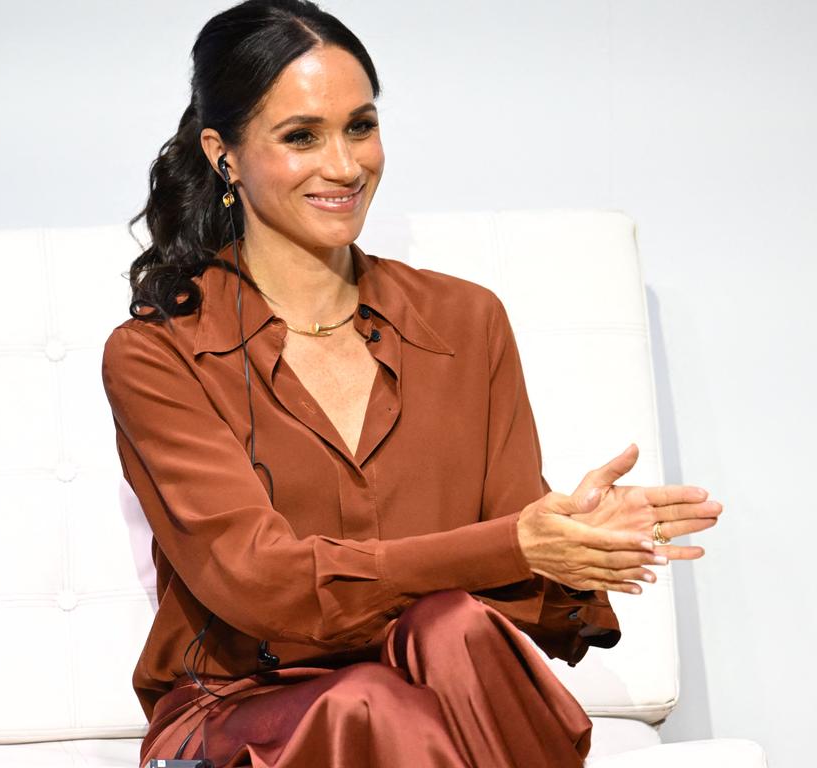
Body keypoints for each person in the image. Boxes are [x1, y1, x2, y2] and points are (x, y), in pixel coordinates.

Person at [100, 1, 723, 765]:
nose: (346, 165)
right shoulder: (160, 355)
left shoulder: (466, 322)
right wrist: (512, 545)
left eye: (361, 126)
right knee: (373, 702)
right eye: (302, 136)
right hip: (243, 708)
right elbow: (260, 583)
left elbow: (503, 575)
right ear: (223, 154)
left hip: (436, 686)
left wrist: (569, 539)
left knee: (453, 624)